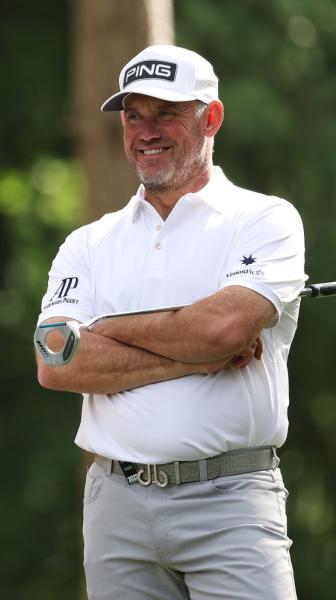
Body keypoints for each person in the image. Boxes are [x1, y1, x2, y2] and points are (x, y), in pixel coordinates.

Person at [36, 45, 305, 599]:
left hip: (231, 499)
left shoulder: (265, 218)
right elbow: (57, 361)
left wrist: (107, 329)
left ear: (211, 117)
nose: (146, 130)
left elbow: (223, 331)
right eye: (134, 114)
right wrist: (196, 351)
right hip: (117, 505)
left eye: (166, 112)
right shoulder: (89, 242)